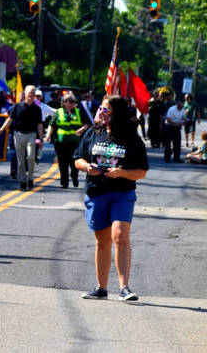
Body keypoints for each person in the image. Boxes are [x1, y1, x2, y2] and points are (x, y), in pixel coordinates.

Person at [74, 95, 150, 302]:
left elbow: (141, 172)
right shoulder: (93, 132)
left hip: (122, 193)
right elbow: (78, 159)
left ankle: (125, 287)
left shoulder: (131, 138)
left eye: (106, 109)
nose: (101, 112)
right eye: (101, 108)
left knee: (120, 235)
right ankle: (101, 288)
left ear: (116, 113)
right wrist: (88, 167)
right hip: (97, 192)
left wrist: (121, 173)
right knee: (102, 240)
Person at [0, 85, 44, 191]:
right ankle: (23, 181)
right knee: (20, 160)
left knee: (31, 157)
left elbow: (40, 125)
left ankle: (30, 178)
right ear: (25, 94)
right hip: (18, 135)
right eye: (29, 92)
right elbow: (9, 119)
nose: (31, 94)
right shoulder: (18, 106)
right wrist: (2, 129)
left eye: (33, 92)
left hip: (31, 135)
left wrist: (41, 139)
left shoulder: (37, 109)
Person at [47, 93, 85, 188]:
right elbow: (52, 125)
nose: (72, 103)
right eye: (69, 101)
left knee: (74, 162)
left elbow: (87, 123)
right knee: (62, 162)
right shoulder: (58, 112)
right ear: (64, 103)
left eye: (73, 101)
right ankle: (64, 182)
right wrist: (48, 135)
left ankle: (74, 176)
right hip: (61, 142)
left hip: (74, 142)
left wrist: (82, 129)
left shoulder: (78, 112)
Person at [163, 97, 187, 163]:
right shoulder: (172, 109)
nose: (181, 106)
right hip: (169, 126)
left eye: (182, 105)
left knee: (177, 143)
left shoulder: (183, 109)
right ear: (177, 104)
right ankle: (167, 158)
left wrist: (184, 121)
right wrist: (176, 124)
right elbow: (168, 119)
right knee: (168, 143)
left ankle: (176, 158)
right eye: (180, 105)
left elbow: (183, 117)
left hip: (177, 127)